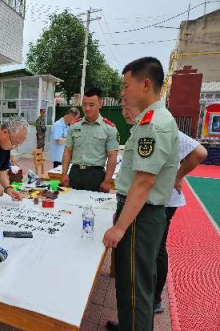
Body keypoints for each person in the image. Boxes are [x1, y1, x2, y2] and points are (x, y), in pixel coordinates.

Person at [103, 57, 179, 331]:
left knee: (136, 288)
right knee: (128, 281)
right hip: (138, 213)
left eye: (126, 85)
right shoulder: (151, 119)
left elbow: (144, 183)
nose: (122, 92)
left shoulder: (154, 124)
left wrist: (120, 227)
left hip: (139, 217)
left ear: (145, 84)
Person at [154, 132, 207, 313]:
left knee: (157, 248)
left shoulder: (164, 126)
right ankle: (153, 298)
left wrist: (177, 176)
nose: (126, 111)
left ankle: (154, 300)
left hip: (162, 200)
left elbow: (200, 152)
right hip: (157, 198)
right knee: (156, 248)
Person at [61, 88, 119, 192]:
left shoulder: (109, 129)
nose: (87, 108)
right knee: (70, 205)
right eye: (84, 104)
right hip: (75, 173)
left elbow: (112, 156)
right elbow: (67, 151)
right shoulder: (74, 126)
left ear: (100, 104)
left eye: (91, 105)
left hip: (95, 176)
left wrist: (107, 181)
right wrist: (64, 173)